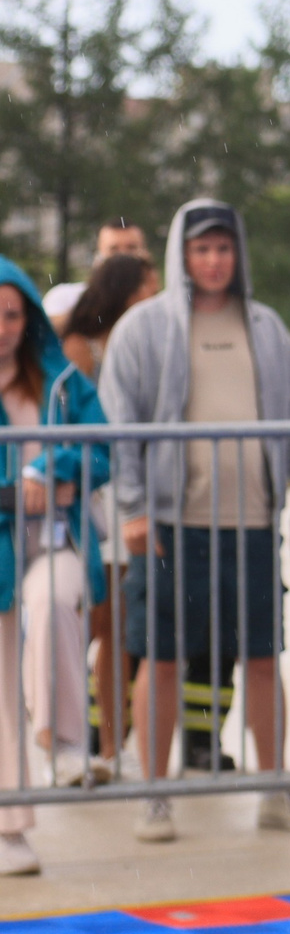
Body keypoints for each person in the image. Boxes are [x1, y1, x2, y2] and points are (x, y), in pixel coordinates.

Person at [98, 200, 290, 844]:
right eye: (202, 249)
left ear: (238, 253)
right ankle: (154, 796)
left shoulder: (266, 328)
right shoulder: (143, 329)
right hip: (172, 524)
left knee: (262, 657)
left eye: (224, 248)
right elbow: (119, 425)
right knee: (163, 660)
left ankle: (277, 791)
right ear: (182, 255)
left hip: (252, 522)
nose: (214, 261)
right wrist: (135, 509)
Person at [0, 256, 107, 875]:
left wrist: (53, 470)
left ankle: (67, 742)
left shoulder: (62, 382)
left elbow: (103, 444)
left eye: (15, 314)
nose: (6, 326)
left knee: (52, 603)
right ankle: (11, 830)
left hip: (54, 543)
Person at [49, 255, 155, 784]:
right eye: (148, 285)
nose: (156, 293)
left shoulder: (145, 336)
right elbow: (71, 426)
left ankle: (114, 743)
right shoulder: (80, 346)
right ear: (126, 289)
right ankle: (87, 739)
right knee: (101, 622)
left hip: (135, 492)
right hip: (97, 498)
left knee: (125, 627)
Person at [42, 217, 151, 331]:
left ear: (146, 254)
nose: (122, 257)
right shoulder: (64, 296)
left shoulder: (157, 301)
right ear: (98, 256)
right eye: (114, 249)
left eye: (131, 248)